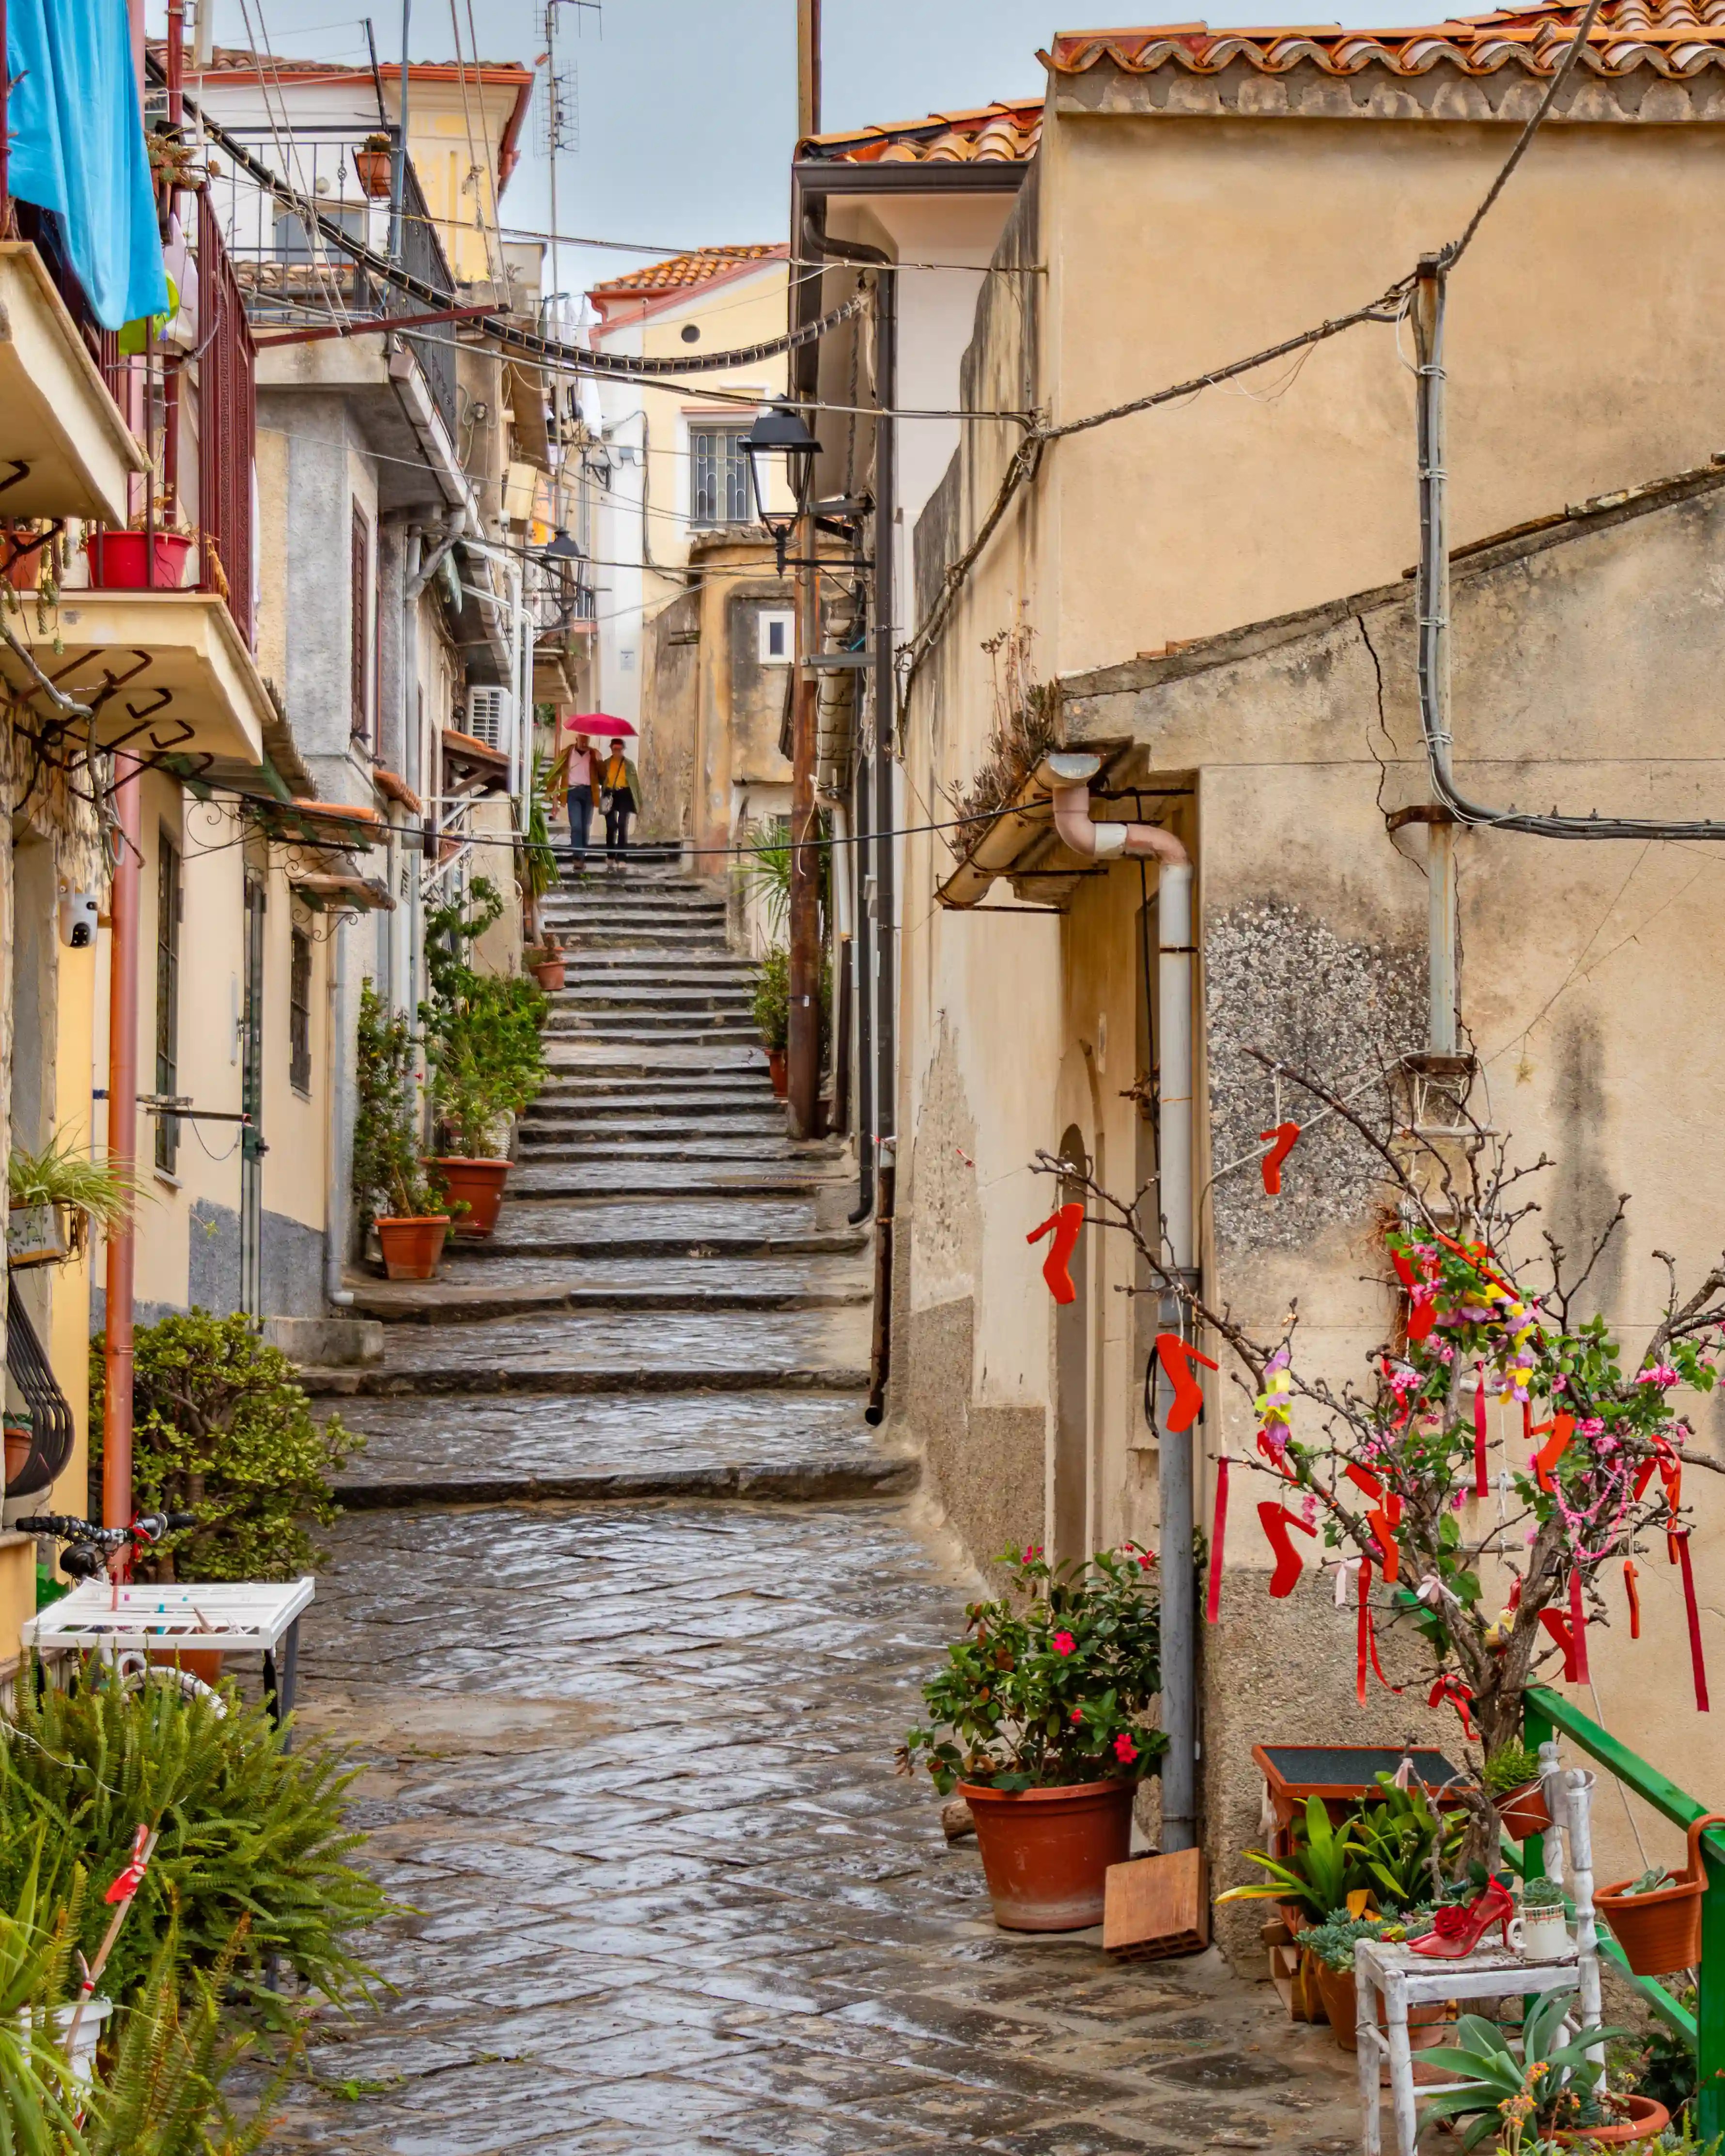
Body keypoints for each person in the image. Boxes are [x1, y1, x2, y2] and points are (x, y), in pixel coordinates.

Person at [554, 729, 597, 866]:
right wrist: (553, 796)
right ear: (577, 738)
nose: (584, 741)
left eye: (587, 739)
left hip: (589, 792)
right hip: (573, 792)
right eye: (582, 738)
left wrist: (600, 760)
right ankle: (578, 857)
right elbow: (556, 772)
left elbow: (602, 775)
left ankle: (582, 851)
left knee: (586, 825)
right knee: (577, 825)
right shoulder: (567, 753)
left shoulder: (593, 754)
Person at [599, 736, 642, 861]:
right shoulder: (606, 763)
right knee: (611, 825)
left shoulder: (629, 765)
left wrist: (639, 801)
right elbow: (600, 778)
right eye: (615, 749)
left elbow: (635, 784)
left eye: (619, 749)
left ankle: (622, 856)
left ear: (623, 749)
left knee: (623, 824)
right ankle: (611, 855)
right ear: (611, 749)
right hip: (610, 794)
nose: (617, 752)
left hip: (624, 794)